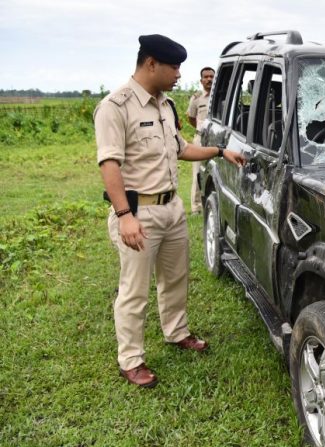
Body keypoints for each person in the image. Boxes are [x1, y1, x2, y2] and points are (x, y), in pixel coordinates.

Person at [94, 34, 245, 388]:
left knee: (175, 279)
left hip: (171, 209)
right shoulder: (116, 106)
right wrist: (124, 216)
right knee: (134, 290)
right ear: (151, 64)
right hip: (139, 214)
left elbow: (181, 148)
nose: (179, 73)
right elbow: (109, 164)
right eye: (174, 67)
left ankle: (176, 331)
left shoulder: (165, 105)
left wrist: (220, 152)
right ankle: (131, 358)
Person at [186, 66, 215, 214]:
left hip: (217, 139)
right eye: (206, 77)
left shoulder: (220, 96)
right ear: (201, 80)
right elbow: (191, 117)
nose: (209, 79)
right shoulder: (196, 98)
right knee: (197, 172)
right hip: (200, 139)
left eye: (211, 76)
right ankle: (196, 207)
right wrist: (200, 130)